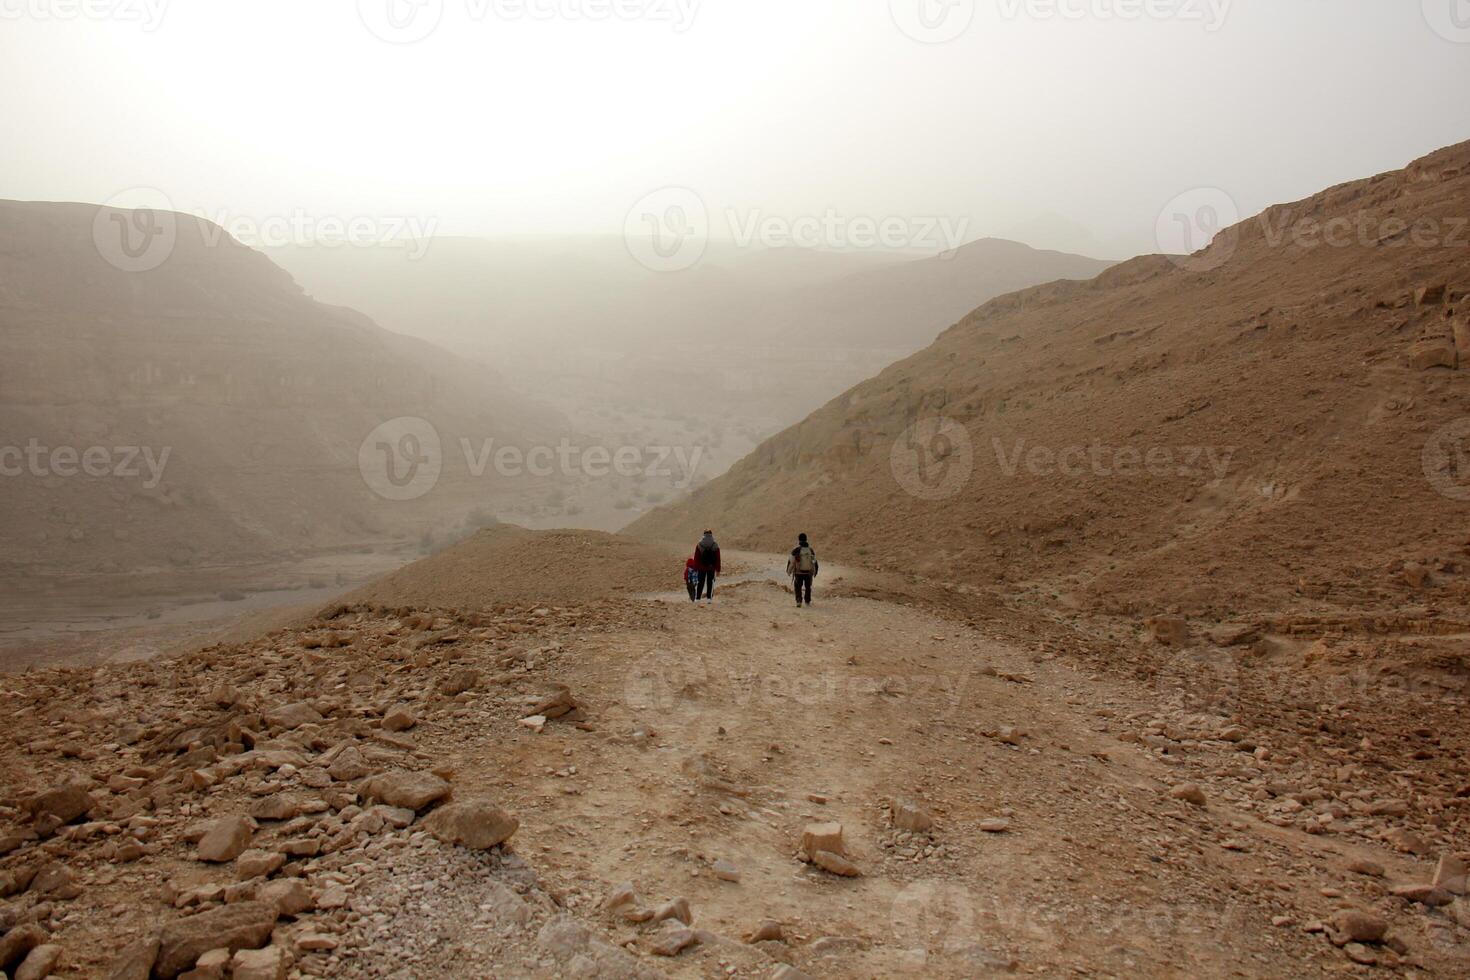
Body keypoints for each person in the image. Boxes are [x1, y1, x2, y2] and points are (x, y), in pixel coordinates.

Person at [786, 532, 818, 607]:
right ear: (806, 539)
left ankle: (799, 601)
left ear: (799, 540)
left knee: (797, 586)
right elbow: (814, 562)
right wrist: (814, 572)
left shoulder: (796, 550)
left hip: (798, 572)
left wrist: (789, 571)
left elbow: (791, 561)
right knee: (808, 587)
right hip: (808, 573)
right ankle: (807, 601)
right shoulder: (810, 550)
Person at [692, 530, 720, 603]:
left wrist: (695, 568)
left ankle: (697, 598)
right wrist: (718, 569)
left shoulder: (699, 544)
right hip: (711, 567)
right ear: (711, 534)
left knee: (700, 582)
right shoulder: (715, 544)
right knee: (710, 582)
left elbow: (696, 557)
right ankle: (709, 599)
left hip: (701, 567)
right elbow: (718, 558)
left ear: (704, 534)